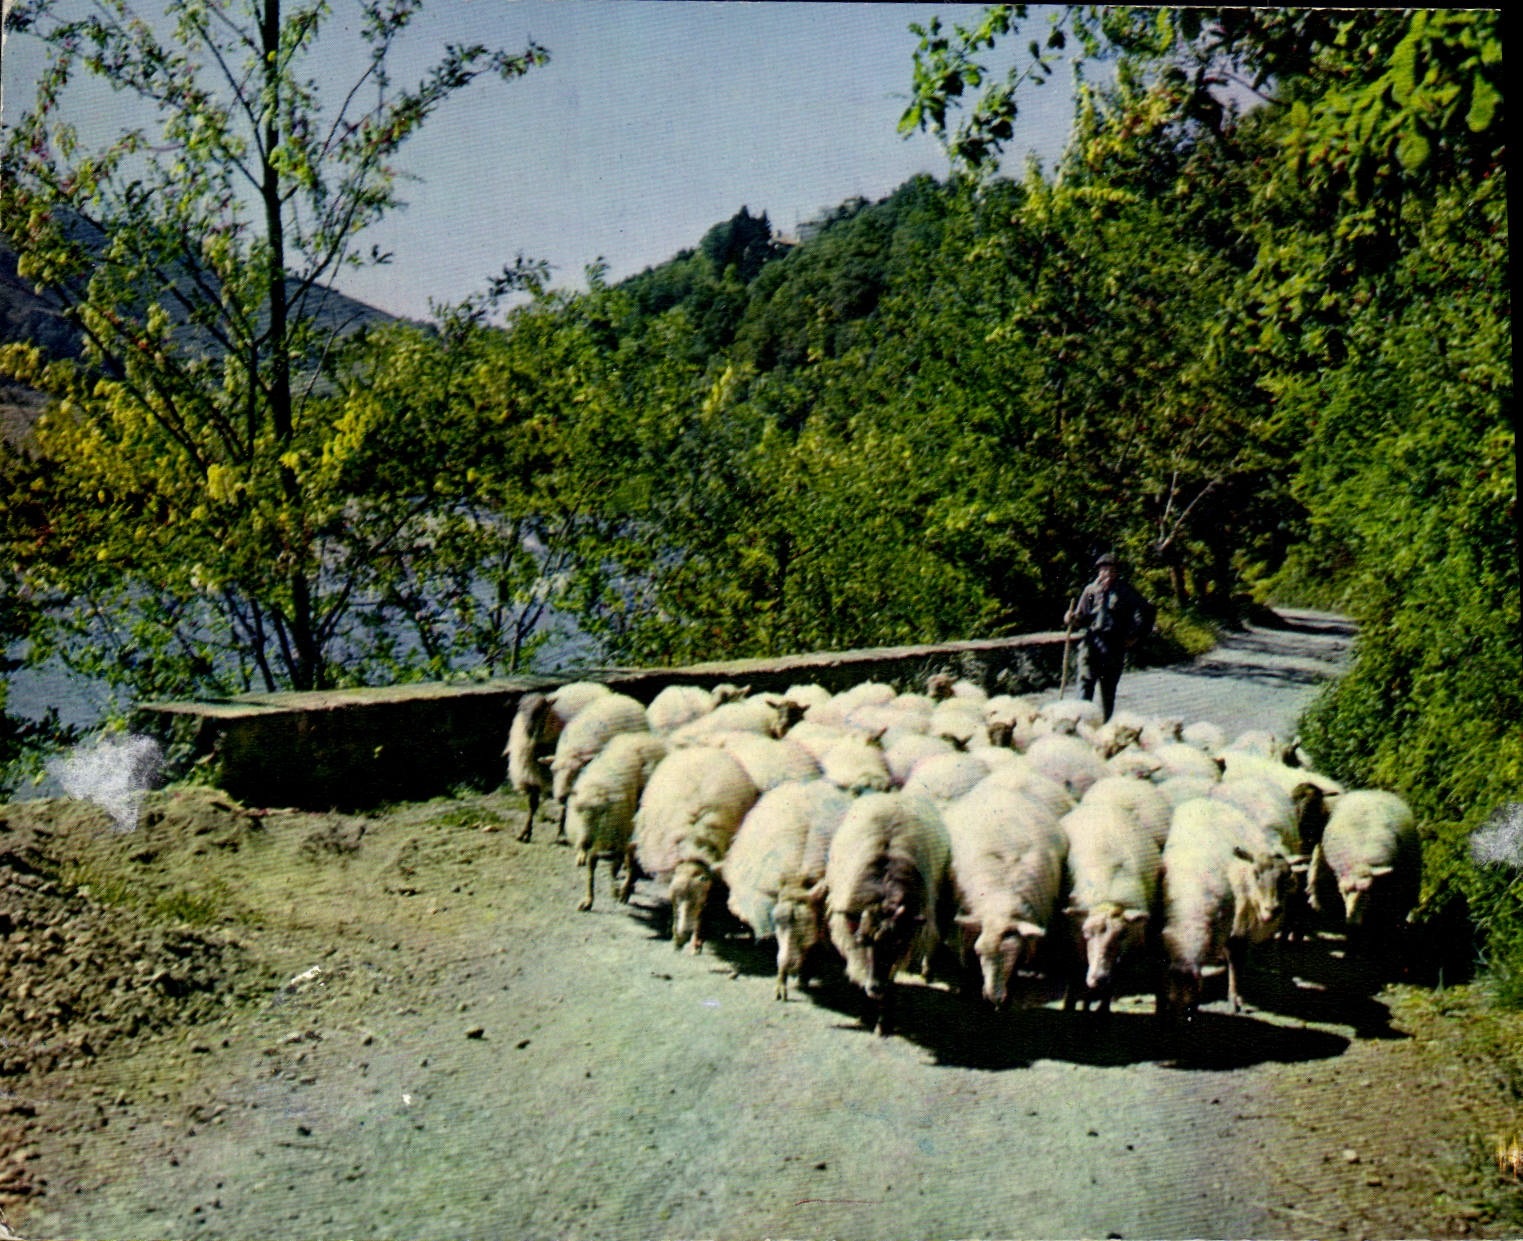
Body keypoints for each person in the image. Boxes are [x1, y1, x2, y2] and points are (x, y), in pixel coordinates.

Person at [1064, 553, 1156, 723]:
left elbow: (1147, 611)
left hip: (1113, 646)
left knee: (1108, 692)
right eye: (1102, 570)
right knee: (1084, 686)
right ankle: (1082, 725)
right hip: (1090, 644)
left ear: (1116, 573)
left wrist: (1135, 635)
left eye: (1109, 570)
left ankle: (1106, 728)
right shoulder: (1091, 591)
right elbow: (1083, 615)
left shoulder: (1125, 592)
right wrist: (1071, 617)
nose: (1105, 574)